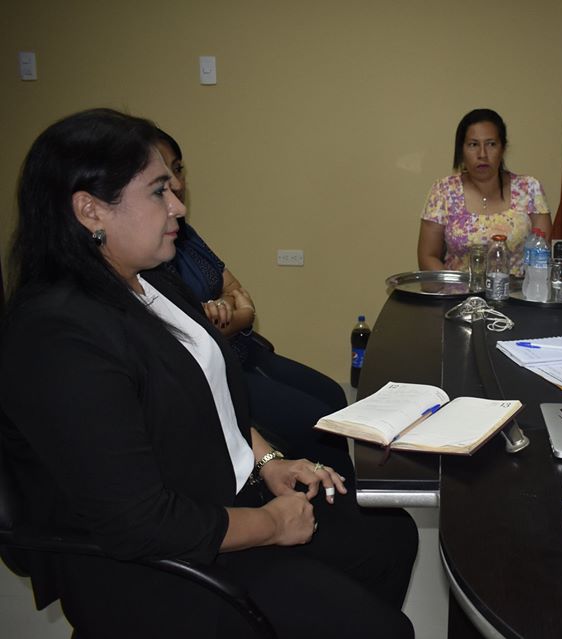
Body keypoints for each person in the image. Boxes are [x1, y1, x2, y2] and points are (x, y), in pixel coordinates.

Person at [0, 108, 417, 638]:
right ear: (90, 210)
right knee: (380, 628)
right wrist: (270, 524)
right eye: (158, 191)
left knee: (391, 537)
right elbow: (138, 522)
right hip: (157, 564)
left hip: (219, 497)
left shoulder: (152, 281)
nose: (178, 204)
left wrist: (269, 462)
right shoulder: (57, 336)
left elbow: (211, 398)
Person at [154, 128, 350, 473]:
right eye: (161, 176)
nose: (178, 183)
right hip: (215, 371)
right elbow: (194, 333)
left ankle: (342, 491)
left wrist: (232, 311)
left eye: (178, 168)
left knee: (335, 395)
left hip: (244, 350)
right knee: (317, 422)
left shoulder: (185, 233)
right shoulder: (149, 254)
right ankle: (327, 495)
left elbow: (238, 291)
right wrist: (238, 313)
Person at [417, 108, 552, 276]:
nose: (482, 154)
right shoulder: (444, 190)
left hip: (518, 290)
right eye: (473, 145)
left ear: (503, 148)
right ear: (461, 150)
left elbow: (542, 254)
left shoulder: (529, 188)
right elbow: (427, 256)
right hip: (458, 290)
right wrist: (453, 287)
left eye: (491, 144)